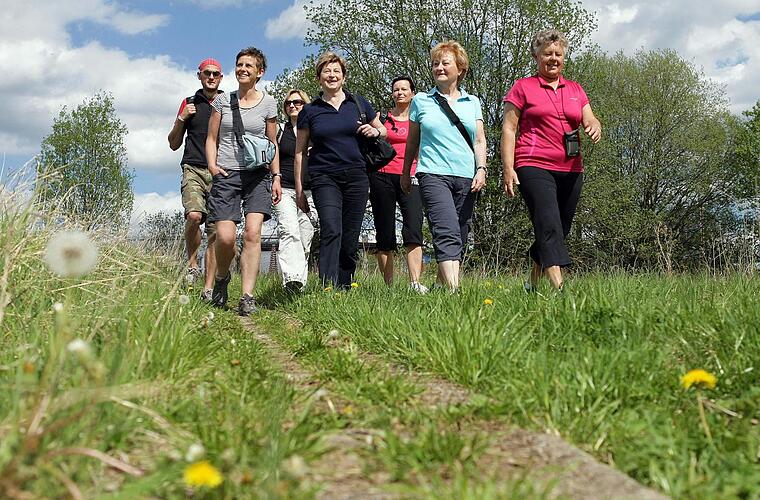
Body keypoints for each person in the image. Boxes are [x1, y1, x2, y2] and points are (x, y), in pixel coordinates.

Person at [500, 29, 601, 292]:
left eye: (558, 54)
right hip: (533, 163)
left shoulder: (575, 89)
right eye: (547, 54)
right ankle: (561, 291)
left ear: (564, 57)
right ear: (536, 56)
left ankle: (531, 284)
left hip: (571, 168)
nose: (553, 58)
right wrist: (508, 167)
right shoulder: (523, 87)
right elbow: (509, 129)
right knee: (548, 223)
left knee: (560, 228)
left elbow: (589, 117)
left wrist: (594, 124)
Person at [294, 51, 386, 289]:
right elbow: (300, 152)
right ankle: (327, 285)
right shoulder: (309, 111)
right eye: (327, 71)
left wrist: (375, 131)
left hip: (357, 176)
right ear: (319, 78)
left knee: (350, 234)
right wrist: (299, 190)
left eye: (337, 71)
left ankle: (345, 286)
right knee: (331, 228)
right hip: (324, 177)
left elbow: (384, 130)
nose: (332, 75)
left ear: (344, 77)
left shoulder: (358, 103)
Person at [401, 41, 487, 292]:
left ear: (460, 69)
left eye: (445, 63)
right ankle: (454, 291)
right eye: (435, 63)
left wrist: (481, 169)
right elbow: (412, 141)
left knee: (460, 233)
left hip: (466, 175)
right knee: (445, 228)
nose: (439, 67)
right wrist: (406, 172)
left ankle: (440, 286)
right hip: (433, 173)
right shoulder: (421, 101)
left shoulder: (472, 102)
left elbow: (479, 140)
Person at [205, 47, 282, 315]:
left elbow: (272, 143)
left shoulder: (269, 103)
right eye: (239, 64)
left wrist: (276, 176)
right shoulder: (222, 101)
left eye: (249, 65)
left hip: (257, 175)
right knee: (225, 238)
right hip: (227, 174)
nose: (242, 69)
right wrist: (212, 166)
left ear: (260, 72)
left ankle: (247, 295)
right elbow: (211, 138)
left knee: (252, 233)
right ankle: (222, 277)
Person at [167, 58, 223, 301]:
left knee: (215, 230)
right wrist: (182, 118)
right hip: (193, 168)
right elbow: (173, 144)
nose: (211, 77)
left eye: (215, 74)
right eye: (207, 73)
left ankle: (208, 288)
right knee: (194, 216)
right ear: (199, 75)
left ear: (221, 78)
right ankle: (192, 265)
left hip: (220, 172)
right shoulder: (189, 102)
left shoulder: (227, 103)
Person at [370, 76, 427, 293]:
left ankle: (415, 283)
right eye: (396, 89)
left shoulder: (420, 118)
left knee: (413, 228)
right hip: (382, 176)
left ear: (413, 93)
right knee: (384, 231)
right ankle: (389, 287)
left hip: (411, 177)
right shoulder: (382, 118)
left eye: (404, 89)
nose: (400, 93)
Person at [274, 89, 316, 292]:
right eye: (288, 103)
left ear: (305, 105)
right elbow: (272, 155)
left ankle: (300, 286)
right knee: (289, 230)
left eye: (297, 102)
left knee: (305, 237)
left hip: (310, 191)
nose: (292, 105)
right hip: (285, 189)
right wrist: (275, 178)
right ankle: (291, 279)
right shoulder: (280, 130)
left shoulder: (315, 130)